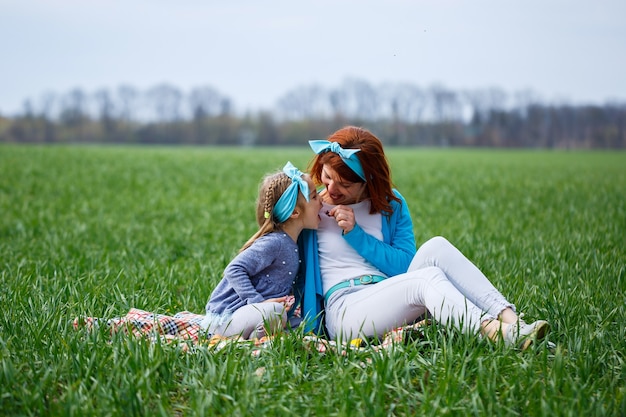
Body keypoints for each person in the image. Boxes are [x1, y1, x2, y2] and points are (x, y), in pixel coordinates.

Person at [297, 126, 549, 350]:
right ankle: (494, 333)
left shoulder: (389, 205)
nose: (330, 189)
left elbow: (405, 267)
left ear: (368, 180)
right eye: (327, 177)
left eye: (344, 184)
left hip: (391, 297)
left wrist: (356, 235)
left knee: (437, 246)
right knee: (425, 280)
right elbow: (274, 244)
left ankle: (514, 323)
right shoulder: (312, 208)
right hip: (345, 310)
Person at [200, 161, 322, 339]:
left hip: (249, 316)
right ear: (295, 212)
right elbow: (233, 269)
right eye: (314, 196)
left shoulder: (290, 242)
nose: (321, 198)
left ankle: (262, 337)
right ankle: (244, 342)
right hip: (226, 318)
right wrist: (257, 302)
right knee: (275, 312)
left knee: (301, 326)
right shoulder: (275, 243)